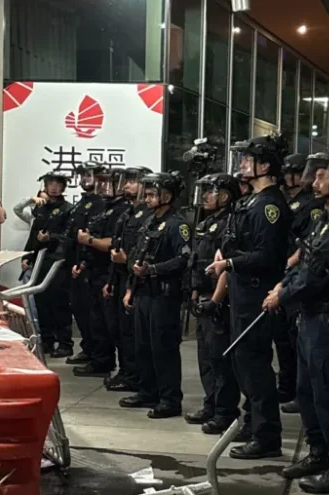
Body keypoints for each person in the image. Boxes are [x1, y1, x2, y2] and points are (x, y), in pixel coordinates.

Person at [270, 152, 329, 493]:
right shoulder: (323, 218)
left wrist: (282, 294)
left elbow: (316, 274)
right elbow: (303, 261)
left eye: (323, 176)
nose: (315, 182)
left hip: (328, 320)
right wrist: (285, 285)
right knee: (307, 391)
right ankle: (318, 451)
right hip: (309, 318)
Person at [206, 135, 291, 459]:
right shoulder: (251, 201)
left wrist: (229, 262)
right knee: (243, 364)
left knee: (255, 366)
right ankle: (253, 422)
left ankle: (267, 435)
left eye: (249, 159)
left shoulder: (269, 204)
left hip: (256, 292)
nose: (242, 164)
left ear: (265, 165)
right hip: (242, 293)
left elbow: (268, 255)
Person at [119, 173, 190, 419]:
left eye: (152, 194)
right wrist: (131, 287)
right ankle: (147, 391)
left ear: (167, 195)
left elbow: (184, 259)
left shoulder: (177, 224)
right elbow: (137, 254)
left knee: (164, 348)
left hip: (164, 295)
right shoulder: (148, 221)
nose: (147, 198)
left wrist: (154, 270)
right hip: (143, 293)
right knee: (143, 346)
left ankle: (170, 399)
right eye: (146, 194)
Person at [185, 173, 242, 435]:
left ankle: (225, 412)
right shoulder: (206, 222)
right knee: (205, 358)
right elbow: (199, 262)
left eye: (211, 191)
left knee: (221, 360)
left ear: (226, 195)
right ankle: (211, 404)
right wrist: (196, 294)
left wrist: (216, 301)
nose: (206, 196)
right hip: (203, 296)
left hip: (219, 300)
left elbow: (227, 267)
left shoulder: (230, 222)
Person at [276, 152, 326, 411]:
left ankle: (295, 389)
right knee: (284, 339)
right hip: (285, 272)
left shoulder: (312, 204)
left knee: (296, 339)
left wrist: (292, 263)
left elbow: (307, 243)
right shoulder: (288, 200)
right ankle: (287, 386)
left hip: (297, 270)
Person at [104, 166, 152, 393]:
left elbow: (142, 252)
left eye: (132, 181)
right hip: (120, 277)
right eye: (126, 181)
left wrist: (126, 263)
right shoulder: (126, 213)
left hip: (137, 280)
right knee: (119, 330)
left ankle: (134, 375)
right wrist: (111, 281)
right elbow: (117, 247)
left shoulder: (148, 215)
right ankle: (125, 370)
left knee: (132, 333)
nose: (125, 186)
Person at [73, 166, 119, 377]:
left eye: (106, 182)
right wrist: (83, 261)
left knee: (109, 324)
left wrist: (89, 241)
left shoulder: (114, 208)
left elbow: (111, 243)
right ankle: (99, 360)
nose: (103, 187)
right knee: (95, 320)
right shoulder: (104, 207)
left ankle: (105, 362)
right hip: (92, 268)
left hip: (107, 271)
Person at [65, 162, 110, 367]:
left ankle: (98, 355)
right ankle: (88, 348)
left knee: (95, 316)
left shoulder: (101, 203)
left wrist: (84, 262)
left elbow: (95, 235)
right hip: (76, 262)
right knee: (81, 311)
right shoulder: (82, 202)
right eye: (82, 176)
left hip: (93, 264)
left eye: (89, 175)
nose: (85, 179)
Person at [25, 170, 74, 358]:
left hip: (59, 261)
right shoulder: (41, 208)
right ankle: (46, 341)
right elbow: (33, 234)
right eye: (50, 183)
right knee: (41, 301)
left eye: (58, 184)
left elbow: (69, 237)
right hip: (40, 260)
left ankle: (64, 343)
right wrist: (27, 256)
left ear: (63, 187)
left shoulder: (68, 209)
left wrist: (51, 238)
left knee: (59, 302)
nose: (54, 187)